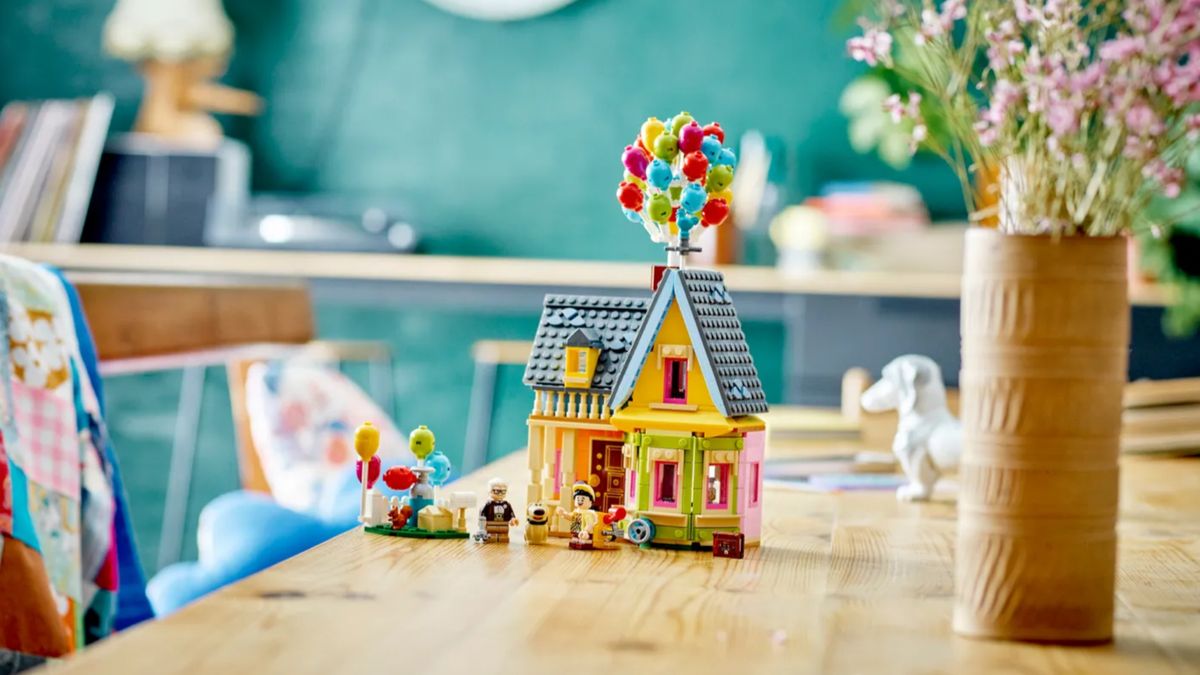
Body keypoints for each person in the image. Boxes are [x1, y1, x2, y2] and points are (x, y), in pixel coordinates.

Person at [557, 481, 599, 547]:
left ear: (590, 502)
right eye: (578, 499)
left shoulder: (588, 513)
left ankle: (584, 542)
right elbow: (571, 517)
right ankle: (576, 540)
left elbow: (589, 523)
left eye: (582, 499)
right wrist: (564, 514)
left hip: (584, 534)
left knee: (583, 539)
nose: (580, 501)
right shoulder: (576, 512)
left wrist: (586, 531)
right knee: (575, 538)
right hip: (576, 531)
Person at [479, 477, 518, 542]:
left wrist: (513, 519)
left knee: (504, 537)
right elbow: (483, 514)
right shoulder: (489, 504)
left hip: (504, 524)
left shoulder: (507, 504)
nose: (500, 494)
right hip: (491, 524)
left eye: (503, 491)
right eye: (497, 491)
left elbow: (511, 514)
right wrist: (482, 524)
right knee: (491, 537)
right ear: (490, 491)